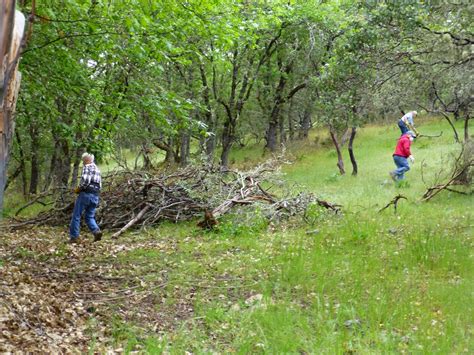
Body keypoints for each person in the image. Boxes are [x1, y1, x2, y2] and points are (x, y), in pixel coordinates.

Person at [69, 152, 102, 243]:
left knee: (76, 216)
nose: (83, 163)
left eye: (83, 161)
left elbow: (86, 181)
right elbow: (100, 185)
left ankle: (74, 237)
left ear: (87, 160)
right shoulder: (97, 169)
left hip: (86, 194)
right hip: (95, 195)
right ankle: (96, 231)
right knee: (89, 216)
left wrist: (78, 189)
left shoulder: (87, 167)